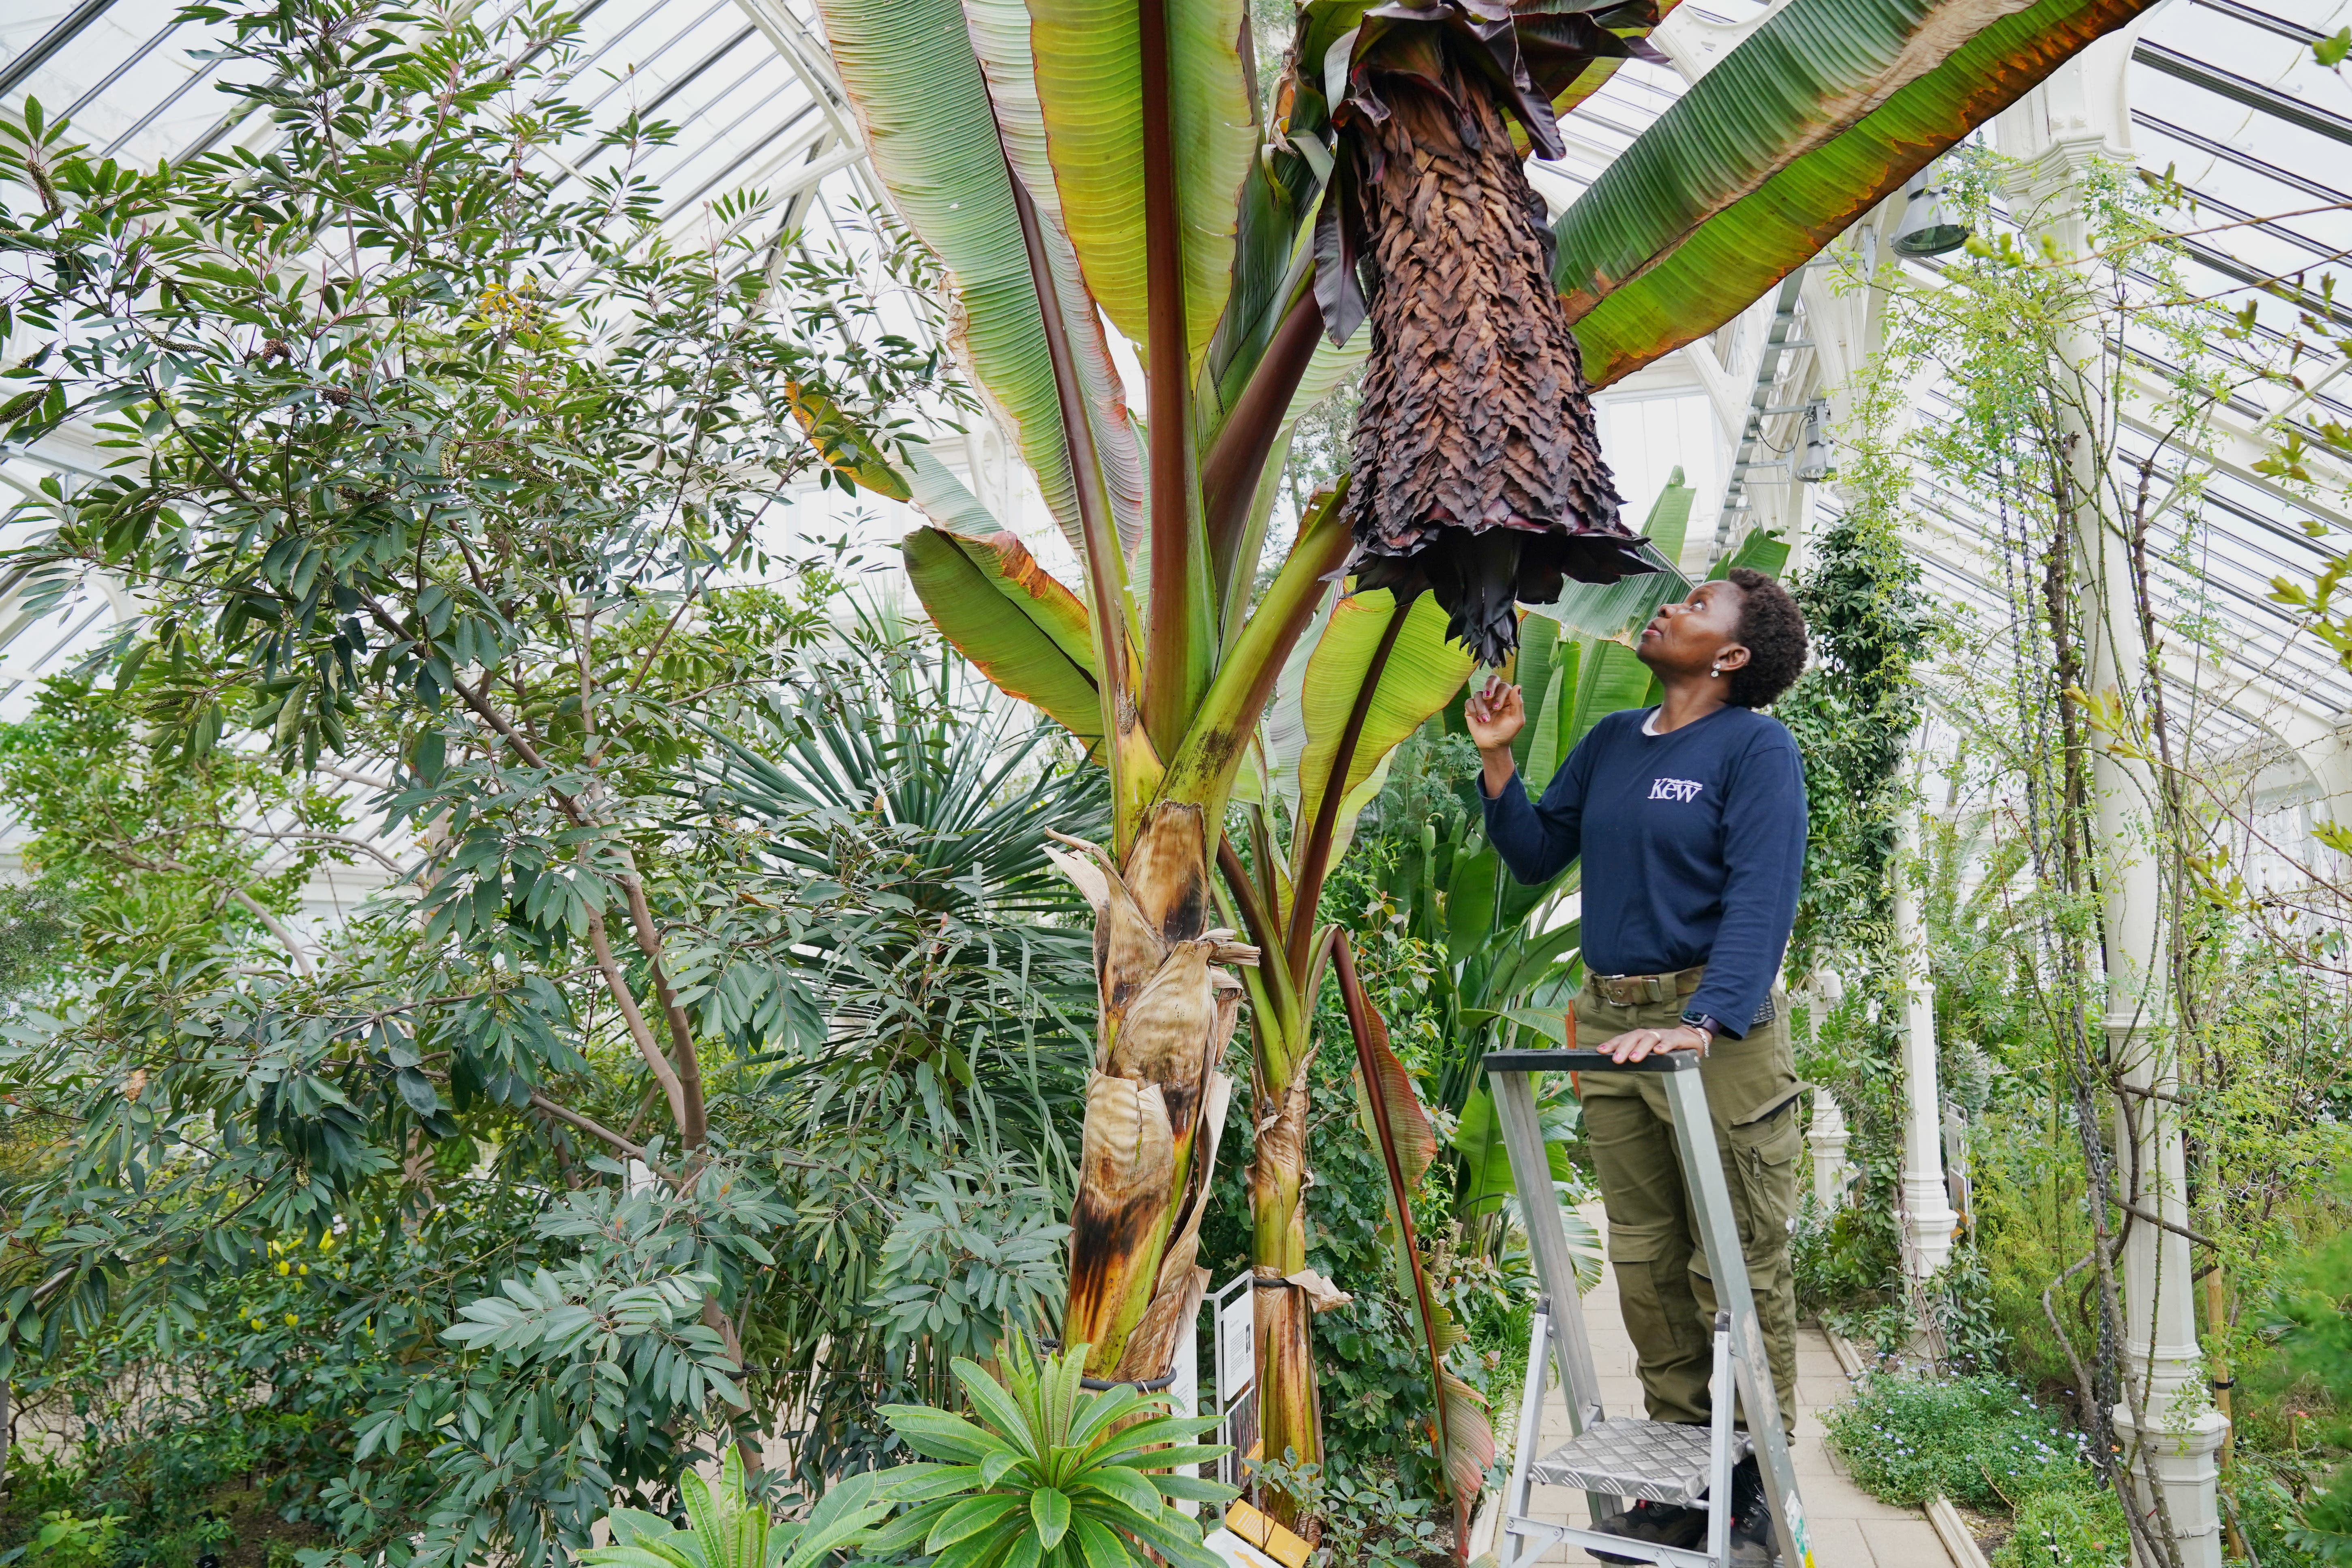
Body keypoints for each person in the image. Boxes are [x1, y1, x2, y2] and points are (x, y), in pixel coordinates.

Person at [1466, 568, 1811, 1565]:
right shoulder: (1614, 741)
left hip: (1714, 1033)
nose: (1668, 607)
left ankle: (1752, 1483)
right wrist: (1499, 765)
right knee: (1647, 1260)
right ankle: (1678, 1474)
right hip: (1613, 1027)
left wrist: (1702, 1024)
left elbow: (1761, 896)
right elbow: (1534, 852)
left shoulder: (1755, 748)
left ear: (1734, 656)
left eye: (1697, 606)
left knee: (1736, 1260)